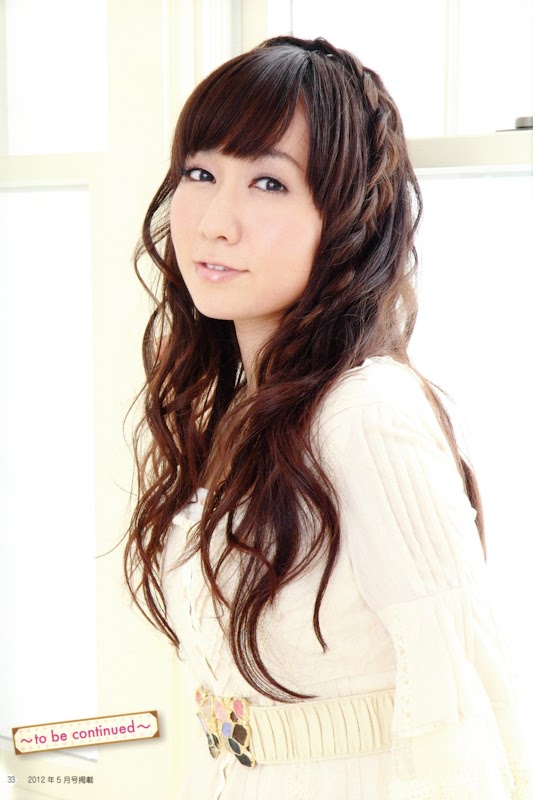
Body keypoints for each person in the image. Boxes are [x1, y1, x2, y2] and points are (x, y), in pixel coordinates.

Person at [124, 35, 532, 799]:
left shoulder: (365, 414)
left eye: (269, 183)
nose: (216, 221)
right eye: (200, 173)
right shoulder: (244, 414)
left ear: (347, 219)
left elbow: (462, 716)